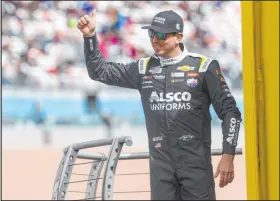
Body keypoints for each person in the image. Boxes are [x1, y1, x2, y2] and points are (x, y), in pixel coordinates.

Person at [77, 9, 242, 200]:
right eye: (152, 33)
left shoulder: (204, 67)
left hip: (196, 168)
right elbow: (99, 72)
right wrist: (89, 37)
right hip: (161, 172)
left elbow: (231, 112)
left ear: (178, 37)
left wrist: (228, 155)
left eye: (162, 34)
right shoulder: (143, 68)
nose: (155, 39)